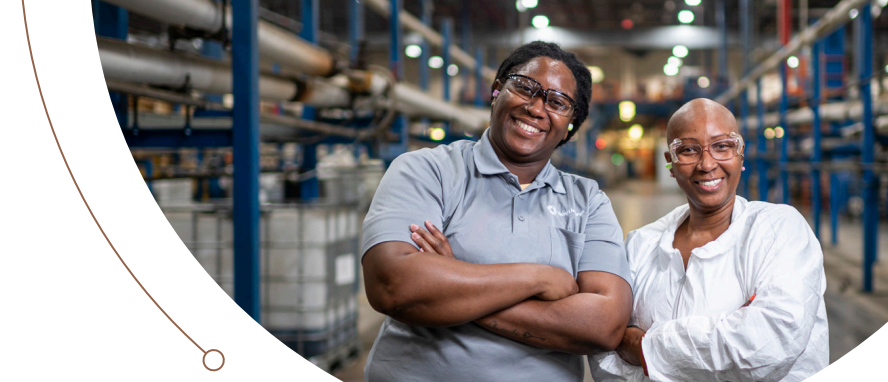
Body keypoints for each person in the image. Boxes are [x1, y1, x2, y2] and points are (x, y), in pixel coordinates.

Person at [360, 41, 633, 381]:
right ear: (497, 90)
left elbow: (603, 325)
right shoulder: (427, 171)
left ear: (572, 124)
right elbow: (393, 285)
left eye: (558, 102)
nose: (536, 108)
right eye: (525, 87)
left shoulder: (588, 201)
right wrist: (540, 278)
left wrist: (454, 278)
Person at [588, 98, 829, 381]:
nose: (706, 163)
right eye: (688, 150)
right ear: (671, 163)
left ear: (741, 155)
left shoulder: (779, 231)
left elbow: (767, 346)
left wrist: (643, 349)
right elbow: (602, 349)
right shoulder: (640, 245)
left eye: (722, 146)